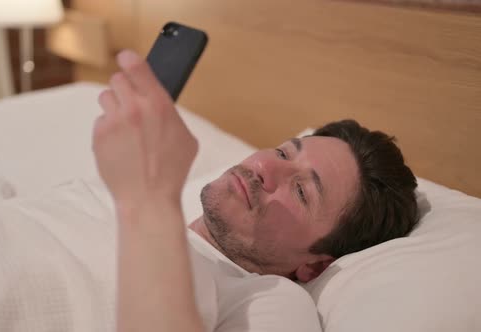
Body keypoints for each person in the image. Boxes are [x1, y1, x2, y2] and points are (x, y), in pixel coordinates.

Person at [93, 49, 419, 332]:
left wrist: (149, 201)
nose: (264, 167)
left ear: (315, 266)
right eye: (282, 153)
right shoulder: (107, 196)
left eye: (302, 191)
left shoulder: (270, 302)